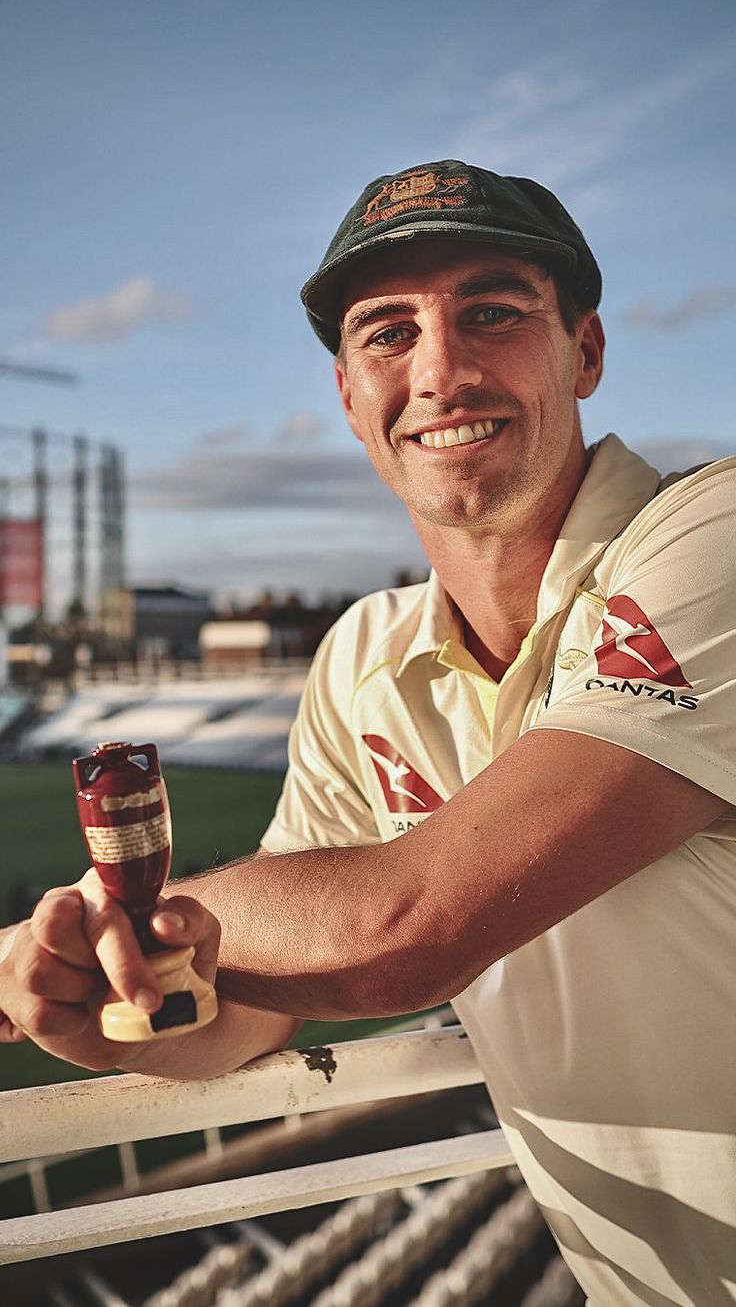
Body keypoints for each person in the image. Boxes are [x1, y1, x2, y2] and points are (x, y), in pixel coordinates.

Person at [1, 160, 735, 1306]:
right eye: (388, 332)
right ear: (348, 394)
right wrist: (116, 1016)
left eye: (491, 312)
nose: (439, 370)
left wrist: (124, 922)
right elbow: (254, 1005)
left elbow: (412, 923)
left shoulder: (714, 534)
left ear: (584, 352)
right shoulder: (362, 653)